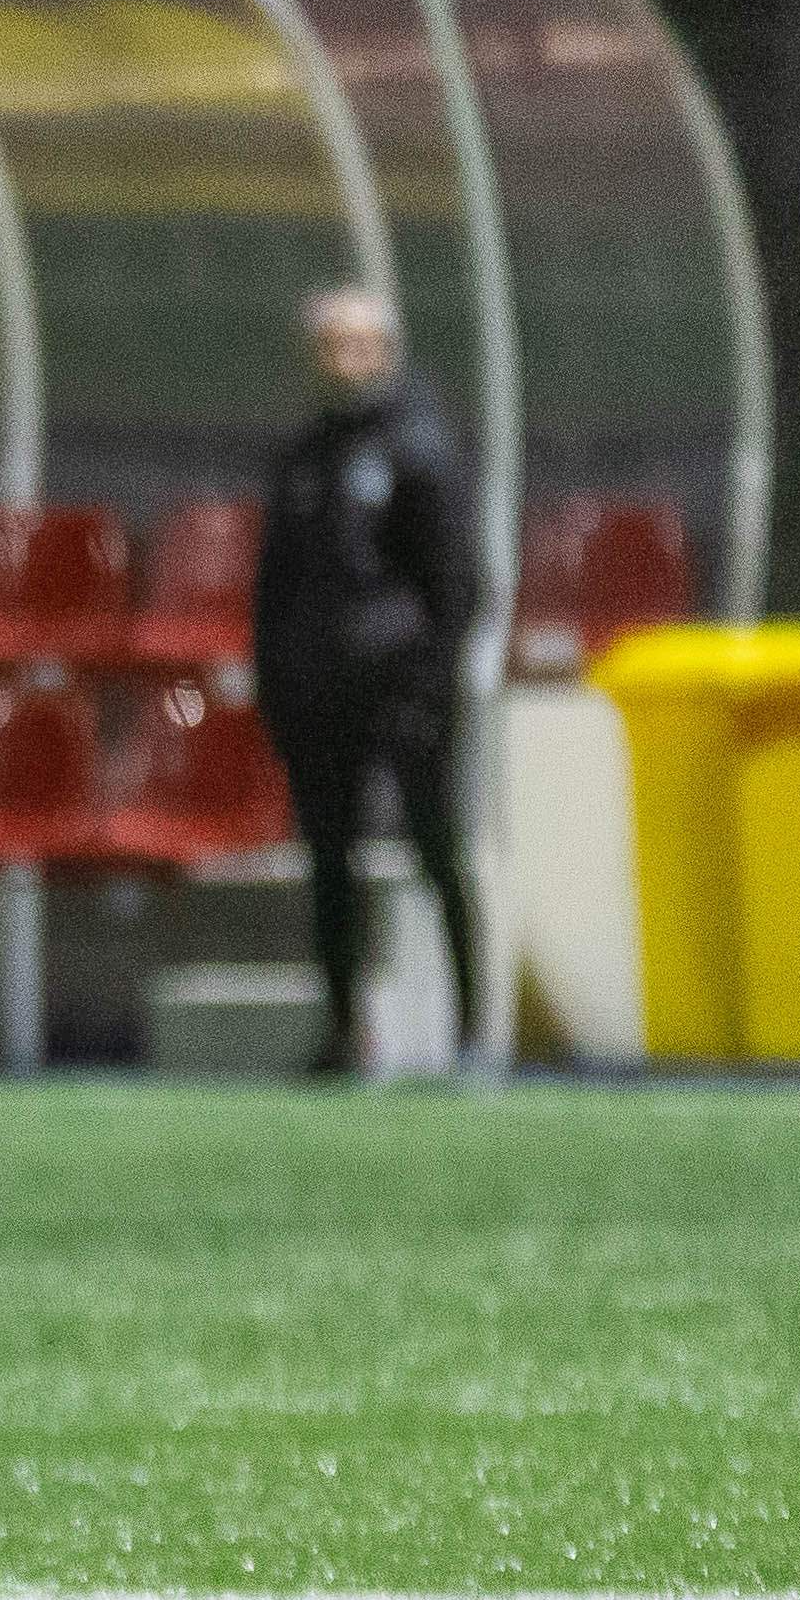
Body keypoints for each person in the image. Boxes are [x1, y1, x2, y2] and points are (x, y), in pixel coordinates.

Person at [252, 283, 485, 1077]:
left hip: (402, 694)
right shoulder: (301, 459)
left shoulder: (418, 448)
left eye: (357, 344)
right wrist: (274, 685)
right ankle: (343, 1033)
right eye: (328, 345)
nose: (342, 359)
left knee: (435, 850)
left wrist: (430, 680)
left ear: (385, 350)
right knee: (329, 861)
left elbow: (454, 582)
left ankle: (470, 1032)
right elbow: (273, 589)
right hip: (319, 698)